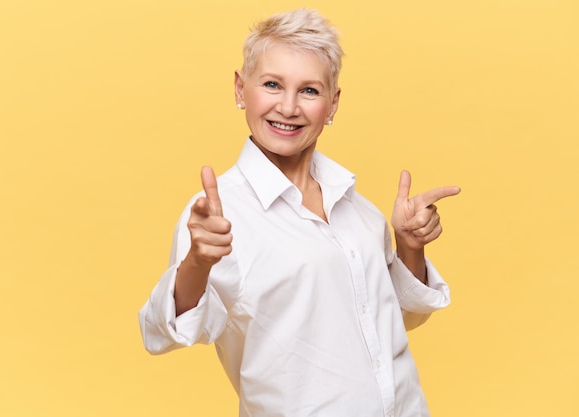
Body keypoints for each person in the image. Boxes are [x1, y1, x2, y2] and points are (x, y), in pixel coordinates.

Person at [139, 8, 460, 417]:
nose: (288, 107)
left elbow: (392, 322)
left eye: (309, 91)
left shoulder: (360, 212)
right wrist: (197, 263)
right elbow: (162, 334)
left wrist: (410, 247)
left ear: (332, 104)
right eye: (272, 84)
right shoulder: (219, 217)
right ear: (241, 89)